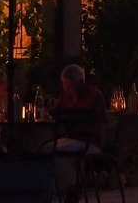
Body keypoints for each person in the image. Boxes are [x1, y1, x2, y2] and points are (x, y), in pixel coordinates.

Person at [48, 64, 107, 203]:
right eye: (64, 86)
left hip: (90, 141)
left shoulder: (94, 96)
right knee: (46, 150)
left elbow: (99, 125)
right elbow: (54, 112)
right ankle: (70, 187)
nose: (66, 89)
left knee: (52, 152)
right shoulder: (65, 96)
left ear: (80, 82)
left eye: (69, 86)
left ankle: (70, 187)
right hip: (71, 140)